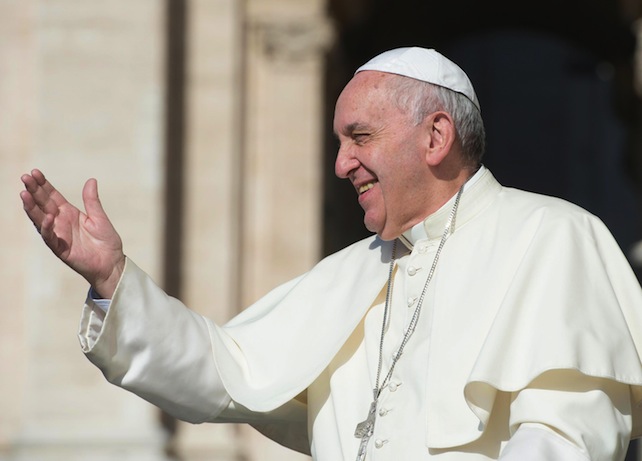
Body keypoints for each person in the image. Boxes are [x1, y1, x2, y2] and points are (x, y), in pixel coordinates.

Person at [20, 47, 642, 461]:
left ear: (435, 136)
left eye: (360, 137)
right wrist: (113, 280)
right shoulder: (350, 273)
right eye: (340, 141)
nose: (342, 163)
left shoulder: (553, 238)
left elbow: (565, 438)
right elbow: (224, 372)